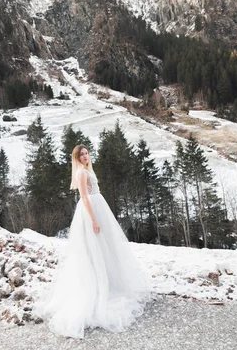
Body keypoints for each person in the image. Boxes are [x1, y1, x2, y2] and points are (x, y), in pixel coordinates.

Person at [35, 144, 151, 338]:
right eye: (82, 155)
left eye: (87, 153)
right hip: (91, 212)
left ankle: (108, 281)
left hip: (99, 207)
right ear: (77, 158)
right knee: (94, 249)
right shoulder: (81, 173)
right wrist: (94, 219)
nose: (85, 156)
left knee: (105, 248)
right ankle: (96, 288)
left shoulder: (88, 170)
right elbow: (84, 197)